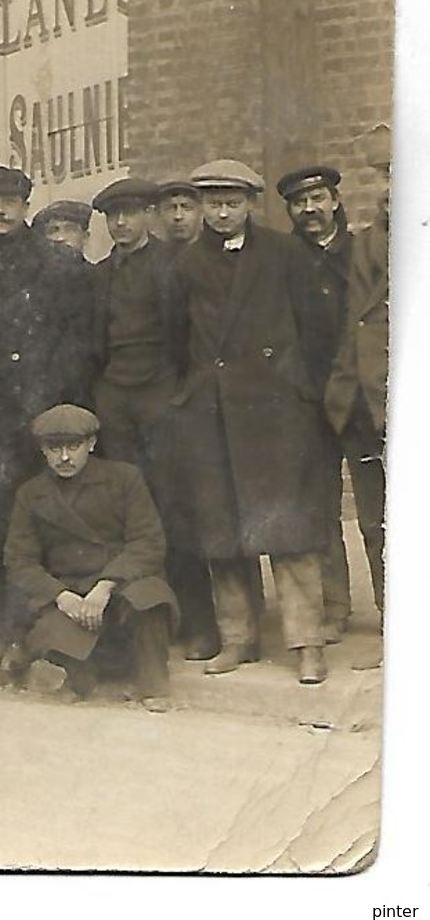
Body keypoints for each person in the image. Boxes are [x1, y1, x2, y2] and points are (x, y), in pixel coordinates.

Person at [169, 159, 334, 685]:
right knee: (223, 531)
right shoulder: (187, 263)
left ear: (250, 204)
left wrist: (302, 391)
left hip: (276, 409)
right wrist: (192, 393)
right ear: (200, 208)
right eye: (213, 203)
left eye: (232, 202)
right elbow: (180, 337)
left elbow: (317, 329)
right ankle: (238, 638)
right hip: (214, 411)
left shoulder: (285, 254)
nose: (222, 212)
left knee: (288, 531)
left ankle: (306, 642)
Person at [0, 166, 95, 666]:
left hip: (46, 422)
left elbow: (79, 346)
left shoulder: (60, 266)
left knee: (53, 527)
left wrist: (61, 412)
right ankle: (10, 637)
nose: (0, 210)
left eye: (9, 200)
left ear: (27, 204)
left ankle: (56, 642)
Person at [87, 176, 217, 659]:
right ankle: (141, 624)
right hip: (115, 396)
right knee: (125, 512)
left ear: (147, 216)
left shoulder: (174, 264)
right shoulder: (98, 275)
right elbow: (93, 344)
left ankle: (199, 623)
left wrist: (179, 393)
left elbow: (190, 338)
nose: (121, 223)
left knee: (175, 509)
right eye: (112, 216)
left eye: (130, 213)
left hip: (163, 392)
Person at [5, 404, 176, 712]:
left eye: (74, 446)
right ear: (42, 450)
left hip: (120, 582)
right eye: (54, 448)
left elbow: (147, 541)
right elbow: (20, 560)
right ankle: (79, 674)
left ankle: (153, 684)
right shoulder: (31, 494)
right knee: (58, 643)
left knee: (150, 597)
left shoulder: (124, 479)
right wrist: (60, 595)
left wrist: (106, 585)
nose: (65, 457)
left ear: (92, 444)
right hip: (68, 589)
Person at [276, 165, 355, 641]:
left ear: (334, 202)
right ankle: (335, 606)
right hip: (310, 398)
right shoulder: (284, 259)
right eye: (299, 202)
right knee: (322, 506)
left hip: (362, 393)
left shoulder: (362, 250)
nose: (310, 210)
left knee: (376, 506)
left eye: (318, 199)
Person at [323, 128, 389, 671]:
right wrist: (342, 394)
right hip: (369, 403)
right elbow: (354, 323)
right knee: (375, 520)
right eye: (387, 177)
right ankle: (396, 623)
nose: (393, 188)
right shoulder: (367, 241)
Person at [155, 180, 204, 245]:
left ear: (201, 213)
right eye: (170, 208)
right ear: (158, 213)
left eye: (187, 208)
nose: (178, 216)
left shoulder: (216, 253)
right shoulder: (150, 254)